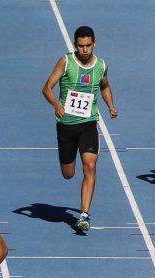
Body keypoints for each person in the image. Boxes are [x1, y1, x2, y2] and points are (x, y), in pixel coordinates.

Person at [42, 25, 118, 232]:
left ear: (95, 44)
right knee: (68, 174)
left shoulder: (101, 65)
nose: (85, 50)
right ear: (75, 45)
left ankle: (84, 215)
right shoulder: (66, 62)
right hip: (66, 125)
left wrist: (110, 105)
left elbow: (105, 86)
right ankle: (68, 168)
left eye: (88, 46)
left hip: (88, 123)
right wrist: (57, 105)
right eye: (81, 46)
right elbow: (46, 87)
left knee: (90, 165)